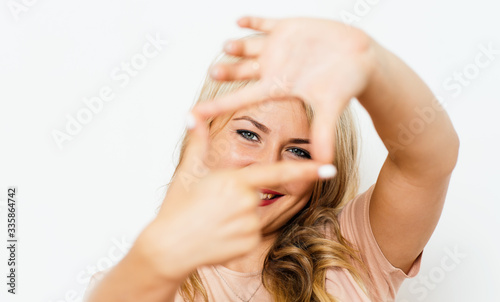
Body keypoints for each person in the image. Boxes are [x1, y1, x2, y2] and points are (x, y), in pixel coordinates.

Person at [84, 16, 460, 302]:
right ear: (206, 131)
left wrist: (371, 62)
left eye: (299, 151)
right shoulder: (145, 279)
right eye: (248, 134)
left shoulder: (351, 256)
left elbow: (427, 160)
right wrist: (156, 255)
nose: (267, 168)